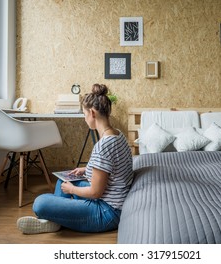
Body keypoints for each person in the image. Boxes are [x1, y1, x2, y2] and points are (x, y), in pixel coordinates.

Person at [16, 84, 133, 234]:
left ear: (92, 113)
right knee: (63, 180)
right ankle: (56, 221)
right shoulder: (117, 134)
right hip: (111, 203)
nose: (85, 119)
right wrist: (86, 169)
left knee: (40, 203)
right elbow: (111, 168)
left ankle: (54, 220)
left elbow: (95, 192)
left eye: (84, 115)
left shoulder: (103, 146)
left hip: (106, 212)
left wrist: (72, 189)